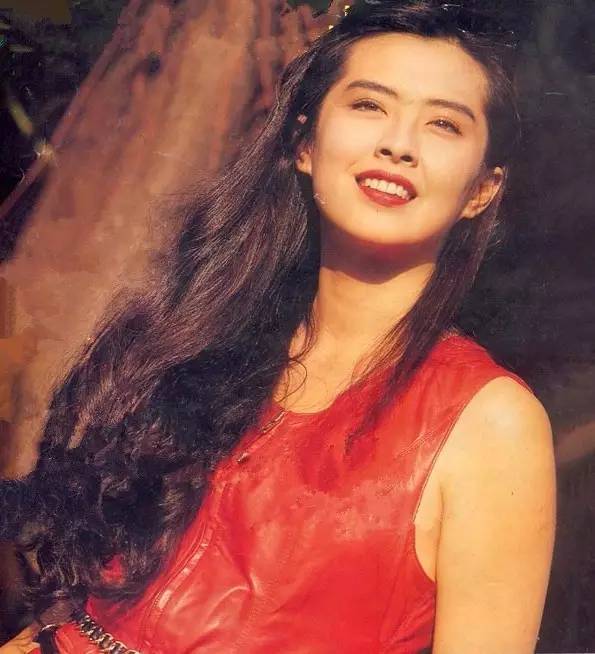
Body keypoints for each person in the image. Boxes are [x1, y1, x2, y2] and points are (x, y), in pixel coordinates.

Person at [0, 1, 556, 652]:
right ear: (303, 143)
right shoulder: (195, 339)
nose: (398, 144)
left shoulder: (490, 424)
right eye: (369, 105)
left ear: (482, 189)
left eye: (442, 124)